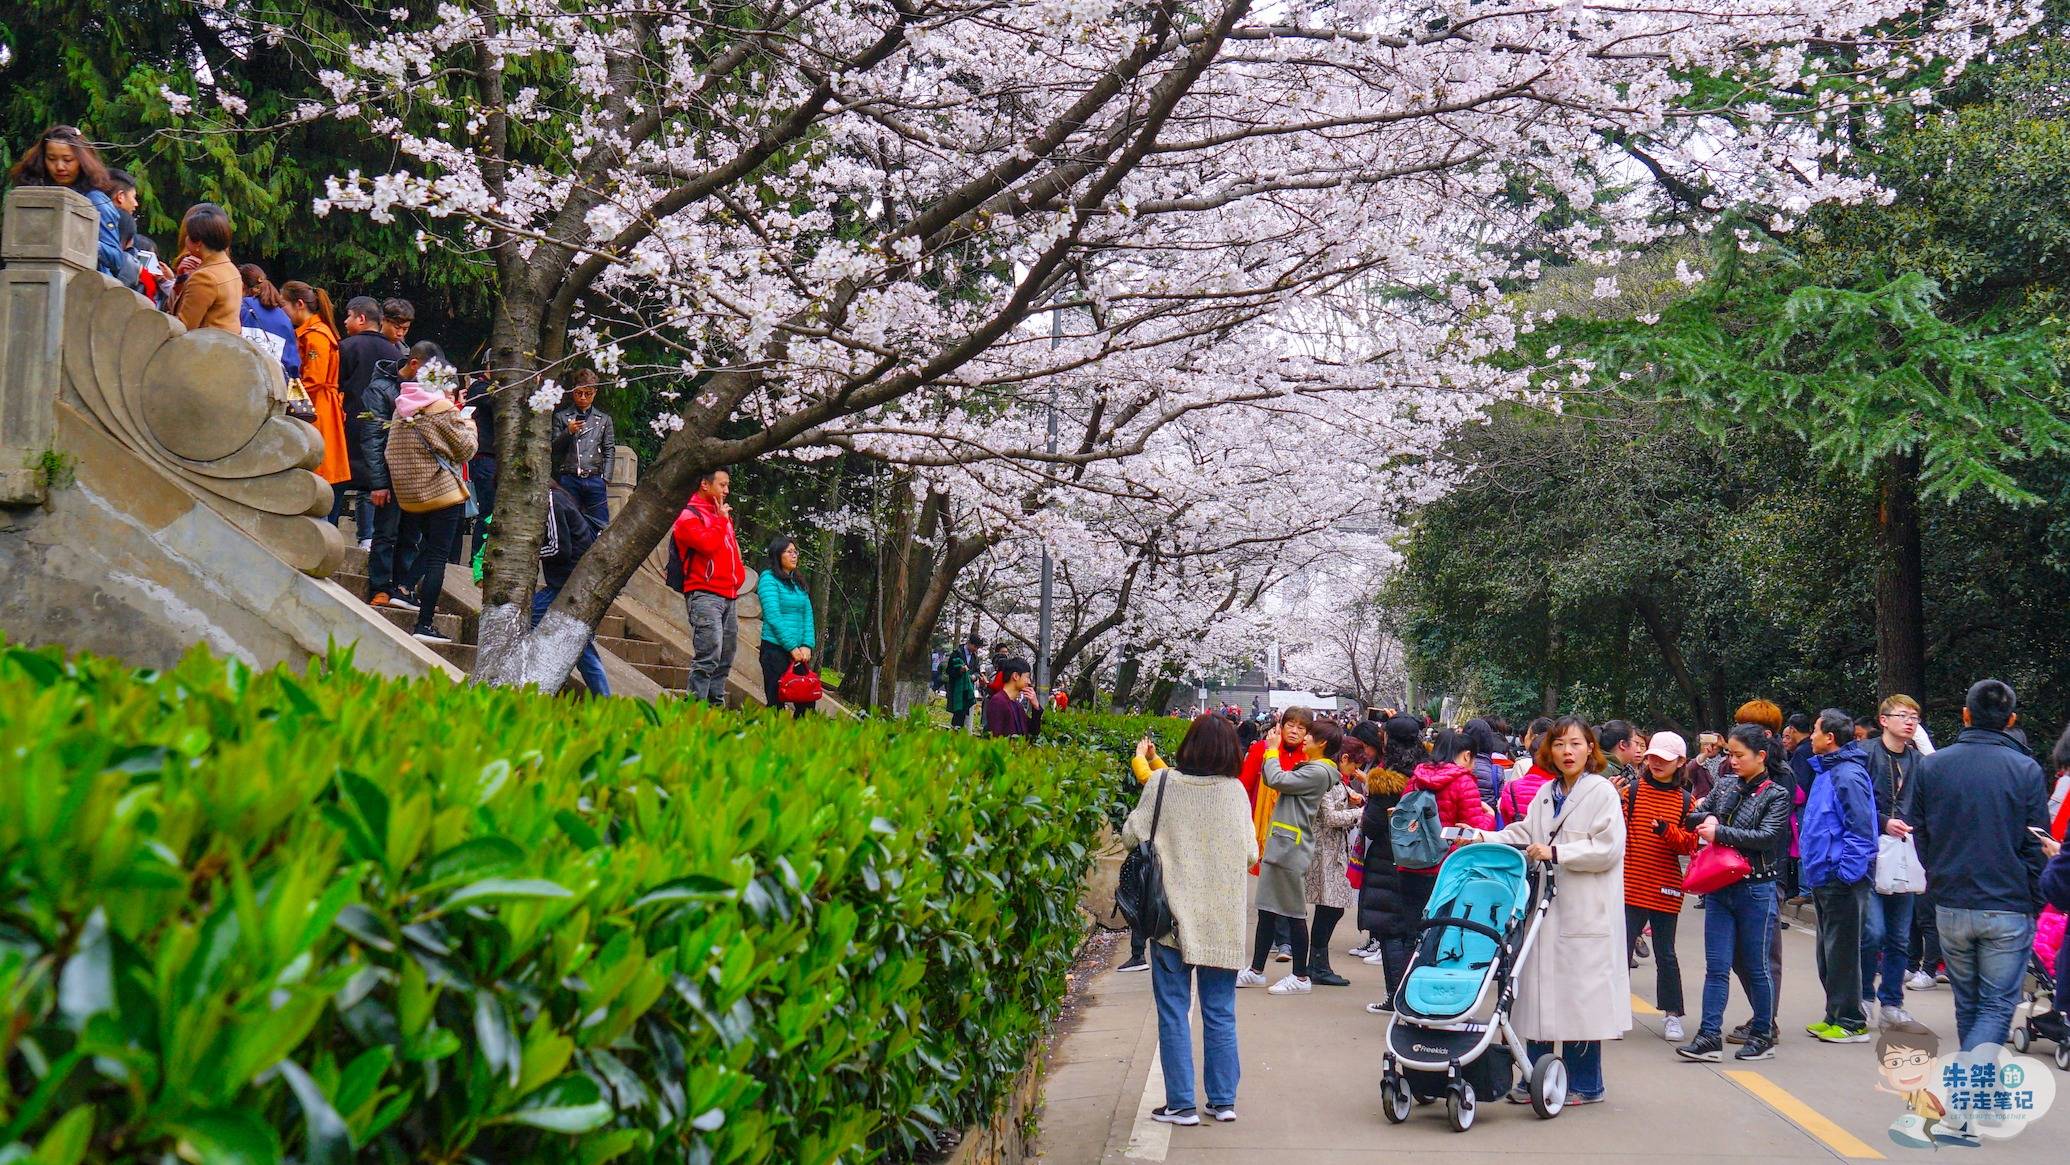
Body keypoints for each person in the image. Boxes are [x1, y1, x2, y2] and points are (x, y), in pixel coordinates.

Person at [1476, 715, 1632, 1106]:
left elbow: (1608, 848)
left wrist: (1559, 852)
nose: (1567, 752)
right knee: (1537, 994)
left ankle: (1586, 1085)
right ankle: (1534, 1078)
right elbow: (1526, 833)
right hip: (1545, 910)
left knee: (1581, 999)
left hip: (1584, 910)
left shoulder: (1601, 793)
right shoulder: (1547, 792)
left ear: (1591, 749)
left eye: (1576, 744)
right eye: (1560, 744)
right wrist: (1480, 836)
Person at [1120, 713, 1255, 1126]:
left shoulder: (1162, 785)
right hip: (1222, 921)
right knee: (1220, 1011)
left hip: (1170, 919)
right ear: (1231, 752)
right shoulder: (1234, 792)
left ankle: (1180, 1104)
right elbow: (1251, 854)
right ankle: (1222, 1100)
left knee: (1174, 1010)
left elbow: (1132, 835)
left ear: (1187, 747)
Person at [1910, 679, 2051, 1052]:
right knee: (1996, 1006)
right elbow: (2036, 846)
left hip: (1951, 901)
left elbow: (1920, 832)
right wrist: (2034, 901)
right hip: (2007, 903)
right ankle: (1968, 1089)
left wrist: (1937, 874)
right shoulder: (2026, 770)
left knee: (1968, 1004)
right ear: (2011, 719)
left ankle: (1969, 1097)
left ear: (1966, 715)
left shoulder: (1932, 767)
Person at [1675, 724, 1792, 1063]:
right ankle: (1709, 1035)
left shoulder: (1776, 794)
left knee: (1757, 966)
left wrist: (1718, 830)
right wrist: (1710, 818)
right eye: (1730, 754)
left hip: (1756, 887)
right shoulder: (1725, 784)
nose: (1733, 761)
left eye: (1740, 755)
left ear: (1761, 757)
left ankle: (1762, 1034)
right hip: (1719, 886)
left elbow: (1766, 837)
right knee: (1716, 965)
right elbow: (1692, 815)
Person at [1238, 711, 1337, 995]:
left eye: (1308, 733)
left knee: (1294, 913)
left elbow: (1276, 779)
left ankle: (1301, 976)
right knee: (1267, 909)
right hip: (1281, 843)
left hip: (1291, 847)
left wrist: (1270, 752)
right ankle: (1256, 970)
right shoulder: (1314, 767)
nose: (1302, 736)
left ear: (1321, 743)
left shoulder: (1317, 771)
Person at [380, 347, 476, 642]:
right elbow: (466, 449)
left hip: (411, 494)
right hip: (442, 493)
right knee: (438, 556)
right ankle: (424, 624)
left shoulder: (401, 408)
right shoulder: (441, 410)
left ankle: (405, 588)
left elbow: (390, 451)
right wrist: (469, 423)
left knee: (425, 547)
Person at [1801, 708, 1878, 1043]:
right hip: (1824, 875)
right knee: (1828, 952)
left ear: (1830, 737)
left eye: (1815, 731)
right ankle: (1834, 1013)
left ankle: (1850, 1021)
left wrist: (1846, 872)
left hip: (1839, 878)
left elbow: (1862, 830)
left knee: (1843, 952)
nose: (1811, 736)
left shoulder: (1847, 774)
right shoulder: (1829, 771)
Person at [1624, 730, 1697, 1042]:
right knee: (1620, 951)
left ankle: (1672, 1015)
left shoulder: (1686, 801)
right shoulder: (1632, 792)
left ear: (1680, 762)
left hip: (1666, 888)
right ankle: (1611, 1012)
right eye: (1652, 756)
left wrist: (1668, 831)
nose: (1655, 763)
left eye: (1664, 759)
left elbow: (1689, 844)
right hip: (1629, 886)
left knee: (1666, 953)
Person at [1861, 694, 1926, 1028]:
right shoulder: (1867, 753)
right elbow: (1857, 802)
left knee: (1900, 936)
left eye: (1915, 716)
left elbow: (1927, 803)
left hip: (1905, 854)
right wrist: (1883, 821)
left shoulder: (1918, 761)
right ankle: (1861, 996)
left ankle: (1892, 1003)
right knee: (1872, 931)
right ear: (1883, 720)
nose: (1910, 721)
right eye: (1903, 715)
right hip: (1871, 855)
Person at [7, 125, 139, 288]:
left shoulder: (95, 200)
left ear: (82, 160)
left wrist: (82, 239)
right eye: (52, 159)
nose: (60, 166)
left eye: (68, 160)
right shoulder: (34, 193)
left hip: (83, 290)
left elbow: (115, 259)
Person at [1357, 716, 1423, 1010]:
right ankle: (1416, 998)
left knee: (1391, 930)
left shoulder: (1385, 781)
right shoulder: (1429, 773)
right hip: (1426, 861)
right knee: (1417, 930)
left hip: (1389, 860)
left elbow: (1371, 826)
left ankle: (1395, 997)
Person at [670, 468, 745, 705]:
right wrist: (720, 521)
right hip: (704, 592)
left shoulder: (721, 513)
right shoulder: (688, 515)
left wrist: (738, 576)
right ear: (705, 484)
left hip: (729, 593)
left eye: (727, 485)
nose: (726, 490)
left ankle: (715, 706)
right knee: (709, 652)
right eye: (722, 485)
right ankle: (695, 707)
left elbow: (732, 548)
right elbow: (707, 544)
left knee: (726, 655)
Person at [1302, 721, 1364, 988]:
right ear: (1345, 758)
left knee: (1332, 908)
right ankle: (1317, 964)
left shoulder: (1334, 778)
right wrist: (1360, 814)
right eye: (1355, 765)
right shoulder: (1329, 779)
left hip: (1331, 850)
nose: (1355, 771)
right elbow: (1329, 817)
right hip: (1323, 850)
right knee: (1329, 908)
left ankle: (1319, 962)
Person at [534, 480, 611, 694]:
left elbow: (560, 548)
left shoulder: (551, 501)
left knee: (532, 617)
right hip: (576, 579)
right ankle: (604, 698)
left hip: (568, 582)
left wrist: (530, 553)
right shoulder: (561, 497)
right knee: (581, 644)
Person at [338, 297, 403, 549]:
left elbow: (336, 385)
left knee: (337, 485)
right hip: (382, 429)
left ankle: (328, 530)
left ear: (361, 318)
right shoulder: (395, 353)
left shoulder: (346, 347)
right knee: (373, 486)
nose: (345, 321)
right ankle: (368, 537)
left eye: (349, 316)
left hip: (347, 426)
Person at [280, 281, 352, 494]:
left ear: (299, 304)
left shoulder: (316, 335)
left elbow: (314, 380)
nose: (281, 310)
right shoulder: (312, 332)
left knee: (318, 469)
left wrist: (286, 393)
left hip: (316, 408)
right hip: (317, 404)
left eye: (283, 304)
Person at [755, 535, 816, 717]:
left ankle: (801, 738)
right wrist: (791, 646)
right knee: (776, 700)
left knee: (806, 699)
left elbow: (807, 615)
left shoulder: (797, 582)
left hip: (799, 653)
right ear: (777, 555)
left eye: (795, 552)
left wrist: (807, 645)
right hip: (775, 649)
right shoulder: (768, 579)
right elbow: (773, 616)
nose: (794, 555)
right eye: (789, 552)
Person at [552, 370, 616, 531]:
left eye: (588, 393)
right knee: (570, 520)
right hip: (569, 476)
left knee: (600, 522)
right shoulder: (561, 416)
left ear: (594, 393)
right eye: (579, 393)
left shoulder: (604, 419)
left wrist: (605, 478)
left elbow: (609, 449)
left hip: (595, 476)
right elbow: (553, 448)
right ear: (573, 391)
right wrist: (569, 432)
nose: (583, 397)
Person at [169, 204, 240, 335]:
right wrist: (181, 278)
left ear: (198, 243)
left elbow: (184, 327)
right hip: (224, 347)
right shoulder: (230, 268)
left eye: (188, 236)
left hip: (204, 350)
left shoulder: (204, 277)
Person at [237, 263, 302, 391]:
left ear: (242, 285)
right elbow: (292, 364)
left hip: (245, 385)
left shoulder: (240, 308)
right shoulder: (284, 318)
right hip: (276, 390)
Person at [983, 657, 1043, 741]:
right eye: (1027, 677)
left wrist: (1036, 706)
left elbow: (1034, 730)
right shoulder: (998, 701)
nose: (1029, 682)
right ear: (1015, 676)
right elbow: (996, 738)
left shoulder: (1017, 705)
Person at [945, 633, 981, 730]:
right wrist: (959, 672)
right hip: (957, 688)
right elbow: (949, 671)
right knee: (958, 712)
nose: (976, 649)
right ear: (969, 643)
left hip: (967, 689)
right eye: (975, 646)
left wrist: (974, 677)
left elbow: (978, 672)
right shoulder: (957, 653)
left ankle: (959, 731)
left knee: (963, 713)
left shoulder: (975, 658)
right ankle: (955, 731)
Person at [1600, 720, 1640, 792]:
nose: (1639, 749)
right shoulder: (1602, 770)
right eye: (1636, 743)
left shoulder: (1623, 768)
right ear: (1623, 744)